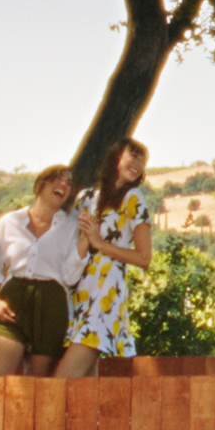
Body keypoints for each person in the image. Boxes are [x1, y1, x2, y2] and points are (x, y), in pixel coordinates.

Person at [54, 138, 154, 378]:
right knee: (85, 387)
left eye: (142, 160)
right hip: (78, 296)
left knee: (61, 382)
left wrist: (100, 244)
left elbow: (144, 258)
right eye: (133, 156)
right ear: (116, 157)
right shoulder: (85, 198)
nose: (138, 164)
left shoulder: (133, 198)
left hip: (104, 299)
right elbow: (72, 243)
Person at [0, 165, 84, 377]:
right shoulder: (9, 222)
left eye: (69, 183)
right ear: (40, 185)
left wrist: (84, 242)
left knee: (38, 387)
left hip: (52, 304)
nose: (63, 185)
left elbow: (70, 277)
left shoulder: (72, 226)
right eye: (57, 179)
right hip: (13, 300)